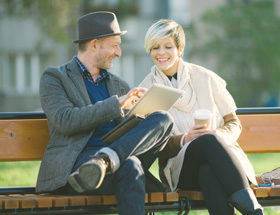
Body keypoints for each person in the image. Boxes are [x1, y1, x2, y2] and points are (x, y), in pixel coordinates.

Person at [36, 12, 174, 215]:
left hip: (115, 163)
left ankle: (105, 160)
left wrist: (138, 120)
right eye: (115, 45)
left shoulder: (119, 84)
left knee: (163, 118)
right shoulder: (55, 78)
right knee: (132, 166)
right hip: (78, 169)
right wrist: (116, 104)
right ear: (94, 45)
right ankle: (102, 162)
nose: (119, 52)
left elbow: (127, 136)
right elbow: (65, 120)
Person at [140, 19, 263, 215]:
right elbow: (150, 146)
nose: (161, 53)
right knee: (207, 143)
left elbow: (234, 123)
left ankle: (253, 211)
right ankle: (254, 210)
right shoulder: (147, 91)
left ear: (180, 49)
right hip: (180, 169)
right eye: (155, 47)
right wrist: (184, 139)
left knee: (208, 171)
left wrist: (216, 136)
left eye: (168, 46)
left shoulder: (205, 77)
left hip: (220, 163)